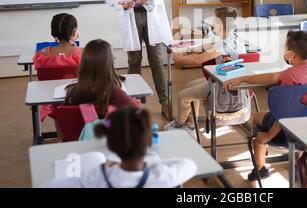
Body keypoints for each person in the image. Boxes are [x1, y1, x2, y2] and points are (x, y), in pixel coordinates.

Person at [224, 30, 307, 181]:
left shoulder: (289, 75)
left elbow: (284, 115)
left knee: (257, 119)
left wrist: (268, 136)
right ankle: (298, 163)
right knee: (295, 112)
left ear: (290, 54)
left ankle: (260, 165)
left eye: (285, 49)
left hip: (289, 130)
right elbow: (273, 77)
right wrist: (243, 78)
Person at [47, 107, 197, 188]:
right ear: (149, 142)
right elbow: (190, 165)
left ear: (110, 145)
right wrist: (151, 164)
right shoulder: (162, 176)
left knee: (95, 157)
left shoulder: (95, 176)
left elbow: (49, 185)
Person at [165, 7, 247, 134]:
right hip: (231, 81)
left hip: (223, 88)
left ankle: (179, 126)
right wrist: (188, 49)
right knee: (190, 85)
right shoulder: (234, 38)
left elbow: (198, 60)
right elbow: (207, 45)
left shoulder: (222, 45)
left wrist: (180, 58)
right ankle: (192, 124)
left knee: (183, 96)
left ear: (218, 25)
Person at [65, 39, 141, 117]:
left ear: (83, 63)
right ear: (110, 63)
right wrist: (133, 104)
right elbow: (139, 117)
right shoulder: (116, 94)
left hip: (84, 129)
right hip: (112, 128)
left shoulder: (72, 93)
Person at [33, 13, 81, 124]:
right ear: (74, 32)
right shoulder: (82, 54)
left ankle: (61, 137)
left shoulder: (41, 55)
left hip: (52, 99)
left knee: (59, 105)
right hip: (78, 97)